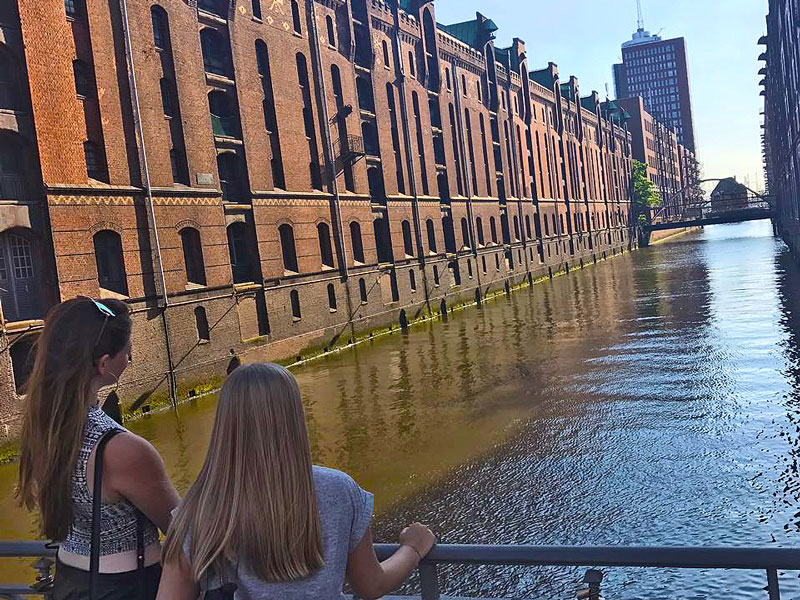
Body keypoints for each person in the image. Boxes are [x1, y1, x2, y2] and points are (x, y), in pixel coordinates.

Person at [157, 362, 436, 600]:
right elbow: (372, 585)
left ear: (225, 424)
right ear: (294, 417)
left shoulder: (201, 507)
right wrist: (413, 547)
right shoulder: (338, 490)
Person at [16, 297, 180, 600]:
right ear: (104, 363)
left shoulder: (43, 427)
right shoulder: (121, 449)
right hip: (125, 588)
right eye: (127, 354)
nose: (129, 360)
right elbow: (182, 530)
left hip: (69, 581)